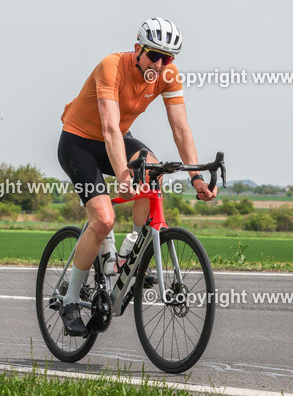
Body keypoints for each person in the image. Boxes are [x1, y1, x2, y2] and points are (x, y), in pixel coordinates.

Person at [56, 17, 217, 336]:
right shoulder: (112, 66)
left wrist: (197, 177)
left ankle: (132, 251)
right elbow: (110, 128)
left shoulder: (168, 74)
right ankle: (70, 299)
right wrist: (122, 174)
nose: (159, 63)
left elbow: (180, 128)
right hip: (79, 142)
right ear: (137, 50)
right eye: (153, 55)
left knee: (154, 171)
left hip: (114, 140)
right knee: (102, 219)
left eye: (166, 58)